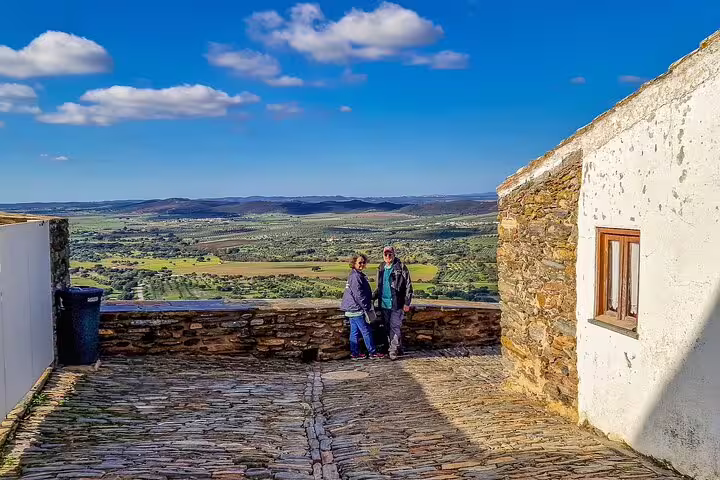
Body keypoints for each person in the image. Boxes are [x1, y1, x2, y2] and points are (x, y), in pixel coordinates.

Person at [341, 254, 383, 360]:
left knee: (354, 332)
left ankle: (355, 353)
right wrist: (366, 307)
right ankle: (372, 352)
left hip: (351, 308)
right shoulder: (356, 276)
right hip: (356, 308)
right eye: (360, 262)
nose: (362, 264)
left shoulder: (355, 275)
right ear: (354, 263)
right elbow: (359, 295)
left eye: (364, 262)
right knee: (366, 330)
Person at [373, 246, 413, 360]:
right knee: (387, 328)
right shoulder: (381, 267)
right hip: (384, 304)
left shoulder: (400, 267)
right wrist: (372, 298)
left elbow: (408, 286)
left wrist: (407, 302)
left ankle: (393, 351)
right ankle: (396, 348)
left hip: (397, 303)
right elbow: (379, 286)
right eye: (385, 254)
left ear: (394, 254)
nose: (388, 256)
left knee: (394, 327)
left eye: (390, 254)